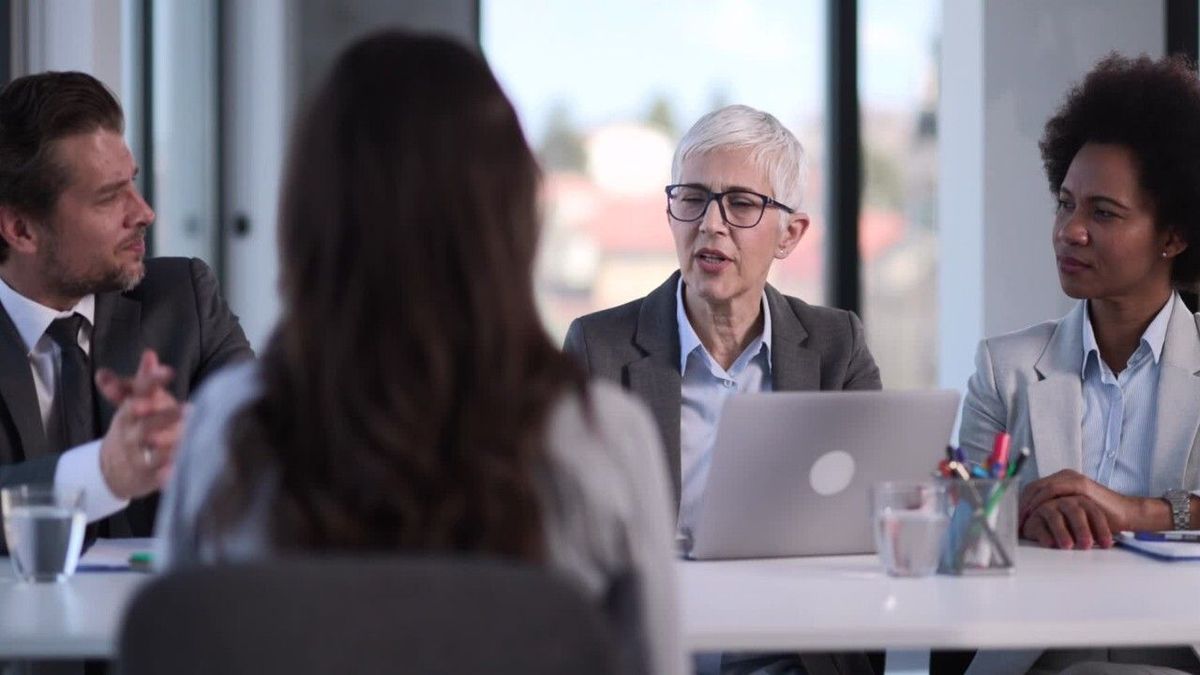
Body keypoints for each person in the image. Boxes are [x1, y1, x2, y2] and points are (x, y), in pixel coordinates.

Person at [154, 31, 684, 675]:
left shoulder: (226, 428)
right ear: (513, 220)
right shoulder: (603, 438)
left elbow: (176, 649)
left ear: (309, 218)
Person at [564, 105, 881, 674]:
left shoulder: (839, 347)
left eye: (740, 204)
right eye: (692, 198)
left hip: (793, 654)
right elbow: (571, 543)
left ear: (791, 234)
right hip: (655, 652)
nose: (711, 225)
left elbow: (875, 515)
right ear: (671, 213)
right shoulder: (598, 348)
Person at [961, 54, 1200, 675]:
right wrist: (1026, 511)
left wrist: (1135, 511)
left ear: (1172, 235)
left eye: (1103, 213)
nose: (1070, 231)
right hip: (1039, 656)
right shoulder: (1004, 367)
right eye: (1065, 204)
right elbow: (960, 525)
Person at [0, 71, 251, 545]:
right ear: (21, 230)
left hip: (168, 616)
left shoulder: (184, 299)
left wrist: (202, 436)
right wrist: (102, 473)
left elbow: (269, 446)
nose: (143, 212)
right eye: (109, 197)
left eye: (131, 183)